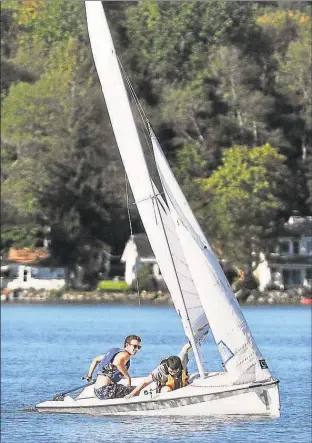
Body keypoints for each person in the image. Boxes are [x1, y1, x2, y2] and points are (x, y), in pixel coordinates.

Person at [83, 334, 142, 400]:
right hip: (106, 390)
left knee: (123, 387)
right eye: (135, 346)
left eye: (139, 347)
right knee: (139, 390)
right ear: (127, 345)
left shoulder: (115, 352)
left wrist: (89, 376)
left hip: (97, 391)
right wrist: (128, 378)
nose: (136, 349)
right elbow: (118, 363)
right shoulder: (125, 355)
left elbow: (95, 360)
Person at [125, 342, 191, 399]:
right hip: (165, 387)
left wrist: (194, 339)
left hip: (179, 384)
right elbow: (145, 382)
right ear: (167, 366)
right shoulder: (159, 371)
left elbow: (185, 349)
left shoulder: (181, 361)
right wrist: (132, 394)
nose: (173, 373)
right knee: (167, 390)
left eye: (175, 371)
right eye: (171, 371)